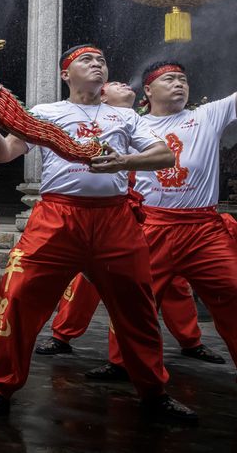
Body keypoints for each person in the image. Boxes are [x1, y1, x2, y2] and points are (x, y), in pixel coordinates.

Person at [0, 45, 196, 422]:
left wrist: (124, 161)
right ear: (65, 74)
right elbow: (4, 154)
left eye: (102, 60)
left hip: (114, 221)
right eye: (86, 60)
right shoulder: (44, 113)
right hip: (56, 218)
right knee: (19, 296)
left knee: (138, 309)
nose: (97, 65)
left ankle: (154, 392)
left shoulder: (125, 116)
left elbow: (164, 155)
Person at [36, 81, 219, 363]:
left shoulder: (140, 122)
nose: (124, 84)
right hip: (113, 213)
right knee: (87, 281)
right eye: (114, 85)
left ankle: (189, 340)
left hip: (149, 214)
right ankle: (63, 334)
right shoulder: (97, 123)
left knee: (173, 283)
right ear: (102, 97)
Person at [85, 61, 237, 380]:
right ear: (149, 90)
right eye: (169, 79)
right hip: (151, 226)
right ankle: (123, 362)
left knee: (233, 291)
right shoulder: (132, 124)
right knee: (135, 300)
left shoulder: (207, 116)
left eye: (183, 79)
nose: (179, 84)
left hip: (204, 229)